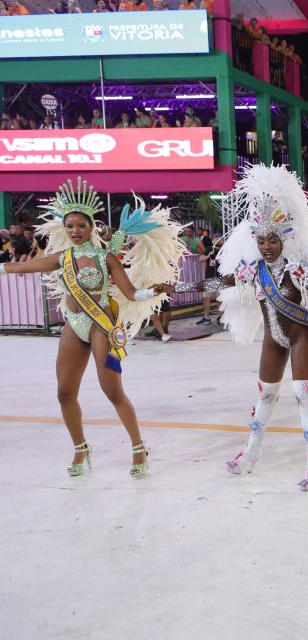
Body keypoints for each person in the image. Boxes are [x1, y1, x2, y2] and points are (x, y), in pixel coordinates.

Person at [154, 165, 308, 492]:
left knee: (301, 395)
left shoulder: (297, 270)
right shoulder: (252, 271)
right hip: (274, 338)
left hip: (300, 337)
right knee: (265, 393)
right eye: (261, 240)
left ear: (282, 239)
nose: (267, 246)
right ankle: (250, 454)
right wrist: (177, 288)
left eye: (272, 240)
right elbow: (216, 281)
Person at [0, 178, 184, 478]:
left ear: (92, 228)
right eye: (70, 225)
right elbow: (19, 268)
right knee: (64, 393)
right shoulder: (62, 258)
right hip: (74, 325)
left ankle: (139, 447)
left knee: (112, 391)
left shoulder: (106, 257)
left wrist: (152, 291)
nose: (75, 231)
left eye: (81, 226)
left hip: (101, 326)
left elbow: (130, 293)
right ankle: (80, 447)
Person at [195, 233, 223, 326]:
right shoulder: (209, 249)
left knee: (220, 299)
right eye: (216, 238)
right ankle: (206, 318)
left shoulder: (225, 250)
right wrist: (208, 256)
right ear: (213, 240)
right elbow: (200, 259)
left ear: (223, 240)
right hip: (209, 278)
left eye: (220, 238)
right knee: (206, 298)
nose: (217, 240)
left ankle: (220, 317)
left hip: (221, 278)